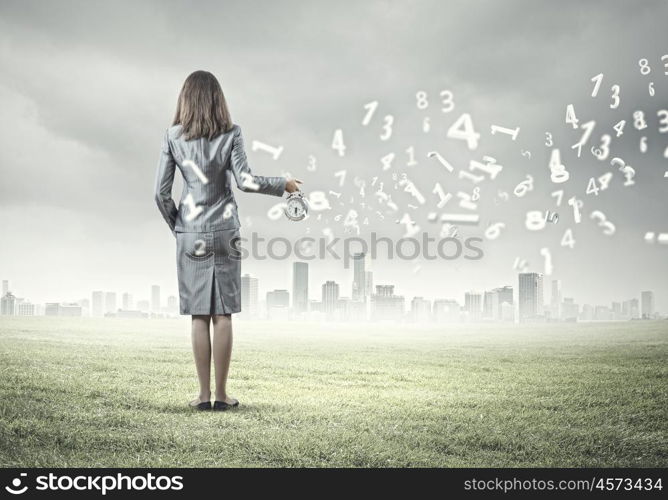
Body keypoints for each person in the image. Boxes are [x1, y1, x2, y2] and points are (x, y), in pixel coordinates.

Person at [154, 70, 302, 411]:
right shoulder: (232, 133)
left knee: (198, 316)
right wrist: (283, 185)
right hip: (225, 231)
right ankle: (222, 396)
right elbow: (246, 181)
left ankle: (202, 397)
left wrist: (180, 227)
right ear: (219, 99)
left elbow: (160, 194)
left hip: (190, 232)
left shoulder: (172, 136)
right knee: (223, 314)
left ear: (185, 99)